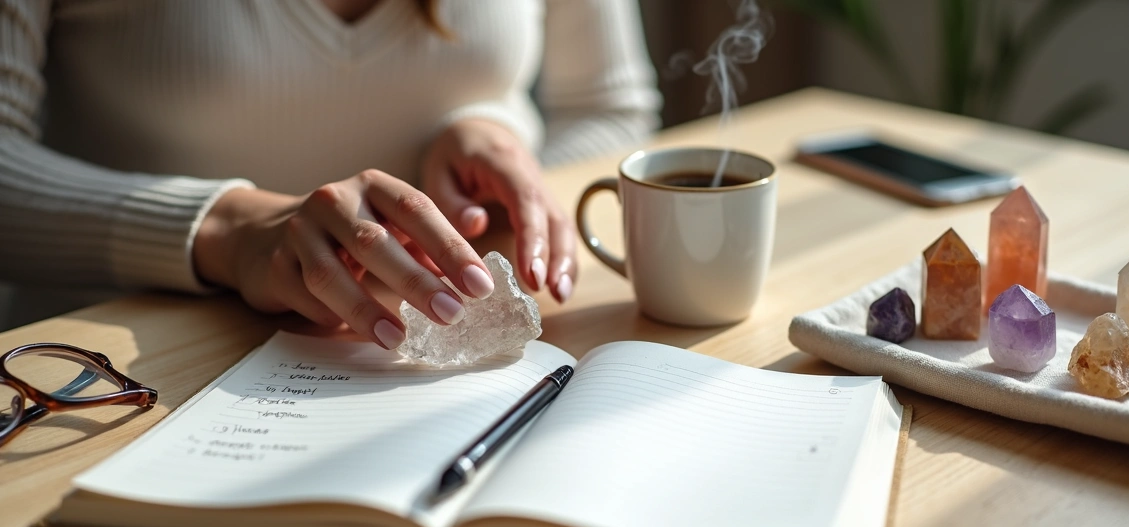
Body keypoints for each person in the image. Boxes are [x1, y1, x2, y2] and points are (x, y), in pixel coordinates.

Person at [0, 0, 661, 348]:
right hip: (111, 378)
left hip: (394, 373)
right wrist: (227, 229)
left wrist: (501, 136)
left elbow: (610, 109)